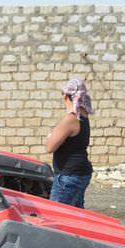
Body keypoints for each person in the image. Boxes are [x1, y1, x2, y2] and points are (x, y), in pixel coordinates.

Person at [45, 78, 94, 208]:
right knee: (76, 215)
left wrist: (51, 134)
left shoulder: (71, 119)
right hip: (80, 173)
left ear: (66, 97)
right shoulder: (83, 116)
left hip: (68, 176)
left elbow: (50, 146)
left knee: (57, 215)